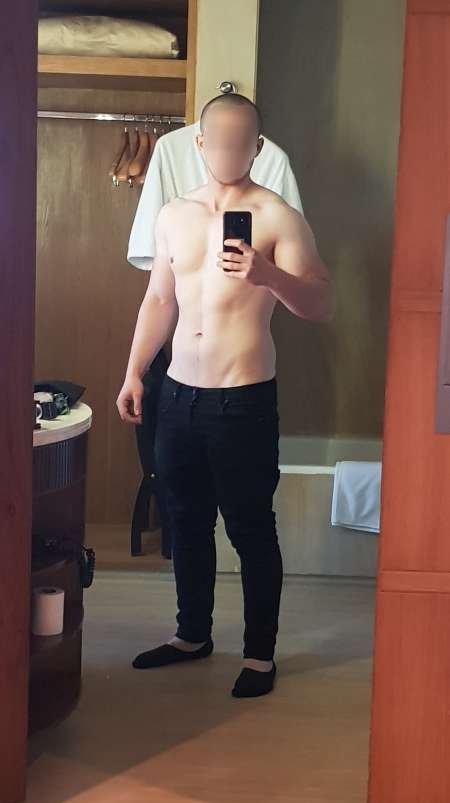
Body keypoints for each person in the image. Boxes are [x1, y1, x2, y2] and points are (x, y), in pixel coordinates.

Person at [116, 93, 334, 698]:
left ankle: (260, 655)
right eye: (220, 141)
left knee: (249, 526)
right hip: (177, 395)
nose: (231, 152)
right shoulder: (174, 214)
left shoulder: (277, 216)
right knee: (184, 522)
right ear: (200, 143)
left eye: (244, 143)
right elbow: (159, 299)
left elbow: (322, 303)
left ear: (257, 148)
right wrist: (134, 373)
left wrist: (268, 275)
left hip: (242, 399)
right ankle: (192, 635)